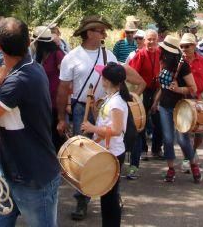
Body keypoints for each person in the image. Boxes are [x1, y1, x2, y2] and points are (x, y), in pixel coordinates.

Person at [0, 18, 61, 227]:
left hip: (33, 178)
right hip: (10, 171)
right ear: (29, 41)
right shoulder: (32, 68)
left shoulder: (17, 81)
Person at [55, 16, 143, 220]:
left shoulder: (108, 55)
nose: (104, 35)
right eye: (100, 31)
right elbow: (62, 90)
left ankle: (111, 193)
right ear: (89, 33)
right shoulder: (72, 57)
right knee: (83, 156)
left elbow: (126, 75)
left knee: (109, 154)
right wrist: (61, 117)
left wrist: (138, 87)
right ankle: (82, 198)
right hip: (81, 110)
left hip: (105, 109)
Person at [81, 63, 130, 227]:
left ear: (107, 80)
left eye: (103, 76)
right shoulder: (111, 97)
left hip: (113, 153)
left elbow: (116, 130)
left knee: (109, 198)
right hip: (108, 151)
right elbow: (106, 120)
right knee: (106, 196)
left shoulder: (117, 102)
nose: (101, 78)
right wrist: (95, 109)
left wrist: (91, 128)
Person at [150, 35, 201, 184]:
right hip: (165, 106)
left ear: (170, 52)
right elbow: (163, 86)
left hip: (180, 107)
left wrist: (178, 89)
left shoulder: (183, 65)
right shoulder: (163, 63)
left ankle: (193, 164)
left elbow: (193, 88)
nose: (160, 51)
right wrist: (155, 102)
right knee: (167, 139)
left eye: (163, 49)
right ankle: (171, 168)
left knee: (182, 140)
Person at [126, 29, 161, 179]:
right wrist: (136, 95)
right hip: (143, 91)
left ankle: (156, 149)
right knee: (140, 122)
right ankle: (142, 150)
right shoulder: (140, 55)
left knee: (159, 122)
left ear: (157, 40)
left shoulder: (161, 54)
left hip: (158, 90)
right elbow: (131, 75)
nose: (151, 42)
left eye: (154, 39)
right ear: (144, 41)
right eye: (149, 39)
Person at [179, 33, 203, 171]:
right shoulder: (179, 63)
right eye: (181, 46)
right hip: (183, 101)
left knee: (200, 134)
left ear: (194, 46)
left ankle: (192, 152)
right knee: (185, 132)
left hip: (199, 101)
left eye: (187, 46)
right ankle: (187, 158)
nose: (184, 49)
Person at [32, 25, 65, 151]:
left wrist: (66, 102)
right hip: (43, 101)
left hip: (56, 101)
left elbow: (65, 79)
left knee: (56, 135)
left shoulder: (57, 54)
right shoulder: (40, 56)